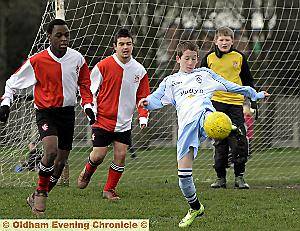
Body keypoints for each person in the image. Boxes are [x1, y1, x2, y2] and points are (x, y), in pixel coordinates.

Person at [138, 41, 269, 228]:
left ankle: (229, 127)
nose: (191, 63)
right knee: (183, 177)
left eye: (194, 59)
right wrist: (146, 103)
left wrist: (254, 94)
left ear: (198, 59)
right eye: (187, 59)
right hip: (186, 129)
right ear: (178, 59)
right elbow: (155, 98)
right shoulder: (170, 81)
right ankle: (195, 207)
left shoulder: (205, 74)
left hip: (205, 116)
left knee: (212, 118)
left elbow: (230, 86)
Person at [0, 19, 95, 215]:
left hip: (67, 113)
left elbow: (85, 85)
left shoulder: (77, 59)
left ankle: (35, 194)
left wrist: (87, 106)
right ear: (49, 36)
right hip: (46, 113)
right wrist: (6, 103)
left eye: (66, 35)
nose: (64, 39)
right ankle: (41, 195)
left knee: (60, 164)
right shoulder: (37, 60)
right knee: (50, 151)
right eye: (59, 35)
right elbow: (12, 83)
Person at [77, 28, 150, 200]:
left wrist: (143, 116)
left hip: (124, 122)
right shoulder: (102, 66)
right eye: (121, 44)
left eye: (129, 44)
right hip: (102, 120)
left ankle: (109, 189)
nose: (125, 47)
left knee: (121, 155)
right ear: (115, 46)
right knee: (99, 155)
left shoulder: (140, 70)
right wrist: (90, 109)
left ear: (133, 46)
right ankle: (87, 171)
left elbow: (143, 96)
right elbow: (90, 91)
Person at [201, 26, 258, 189]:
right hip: (216, 104)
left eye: (227, 40)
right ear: (216, 41)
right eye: (221, 39)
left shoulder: (239, 57)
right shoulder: (209, 58)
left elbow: (247, 79)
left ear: (232, 41)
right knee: (220, 141)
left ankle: (239, 177)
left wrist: (253, 98)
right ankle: (220, 178)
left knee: (239, 139)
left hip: (235, 104)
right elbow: (201, 81)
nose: (224, 42)